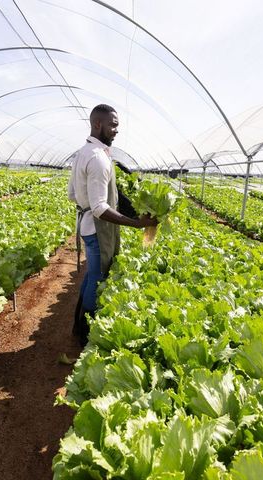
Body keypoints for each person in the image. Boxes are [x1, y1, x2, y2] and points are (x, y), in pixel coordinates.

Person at [68, 104, 157, 346]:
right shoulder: (98, 159)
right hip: (97, 229)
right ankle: (86, 328)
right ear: (98, 124)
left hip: (87, 226)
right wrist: (136, 224)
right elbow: (99, 208)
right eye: (113, 124)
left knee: (92, 274)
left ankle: (79, 323)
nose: (117, 130)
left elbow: (72, 193)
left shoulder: (83, 153)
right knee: (97, 277)